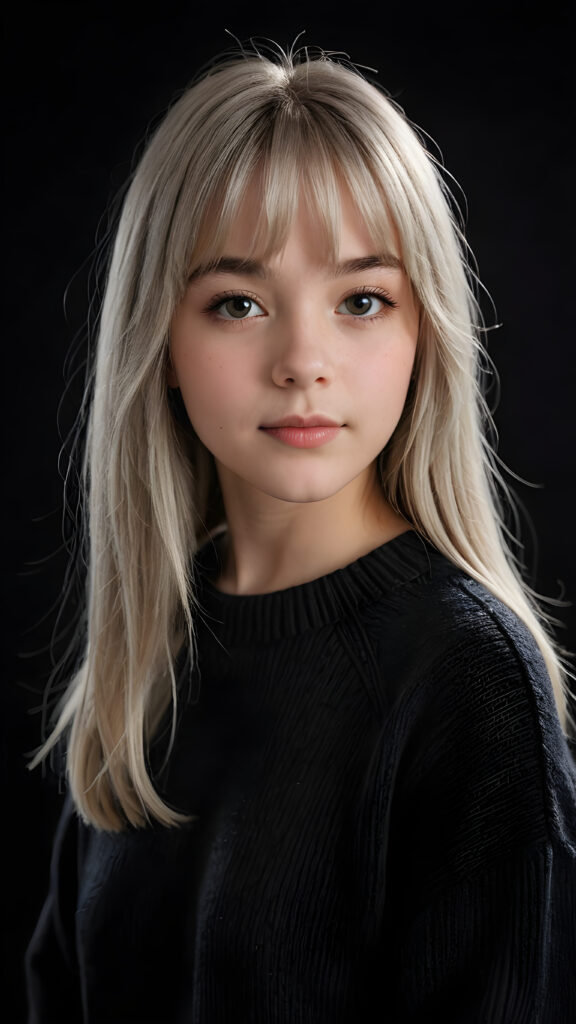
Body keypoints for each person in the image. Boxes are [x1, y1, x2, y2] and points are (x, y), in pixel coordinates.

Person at [26, 43, 576, 1023]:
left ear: (425, 332)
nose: (302, 361)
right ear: (161, 341)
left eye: (362, 299)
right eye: (238, 304)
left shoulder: (468, 680)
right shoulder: (148, 655)